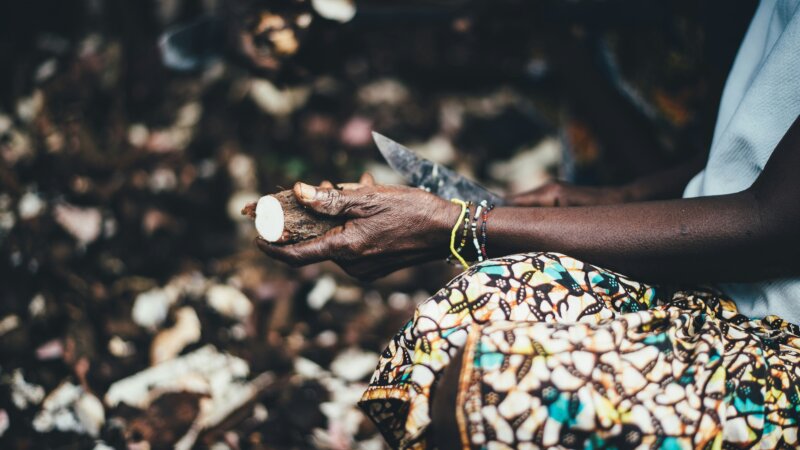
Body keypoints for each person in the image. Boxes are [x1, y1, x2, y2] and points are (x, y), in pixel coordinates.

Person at [258, 1, 800, 448]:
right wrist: (622, 196)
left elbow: (771, 225)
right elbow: (753, 150)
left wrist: (460, 225)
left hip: (781, 327)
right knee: (458, 319)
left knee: (493, 391)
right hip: (717, 276)